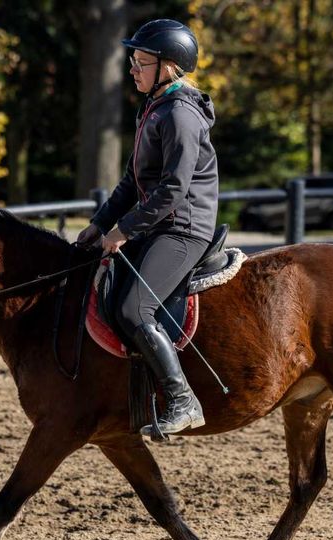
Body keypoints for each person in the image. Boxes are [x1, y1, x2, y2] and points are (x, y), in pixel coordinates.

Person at [77, 18, 218, 437]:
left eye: (141, 62)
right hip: (160, 225)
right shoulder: (154, 109)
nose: (133, 70)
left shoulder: (180, 115)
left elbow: (173, 189)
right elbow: (130, 182)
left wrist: (123, 230)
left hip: (183, 229)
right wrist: (100, 223)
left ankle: (182, 399)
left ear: (169, 67)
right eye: (133, 61)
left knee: (133, 308)